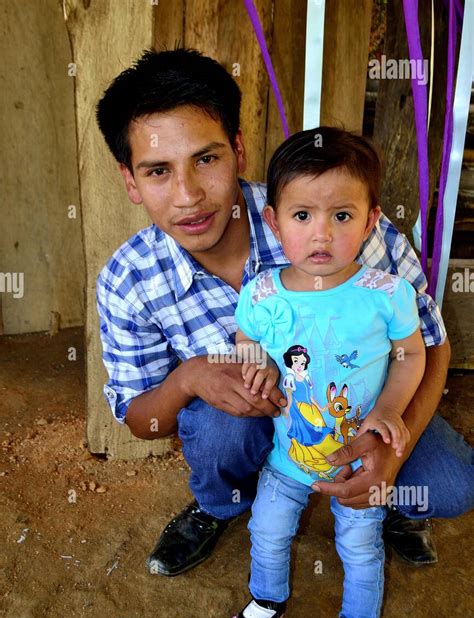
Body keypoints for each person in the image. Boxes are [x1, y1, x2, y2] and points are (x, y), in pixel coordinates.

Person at [95, 48, 472, 582]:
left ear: (239, 150)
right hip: (260, 423)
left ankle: (384, 500)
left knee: (450, 486)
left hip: (363, 404)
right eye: (158, 171)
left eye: (207, 159)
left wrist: (396, 440)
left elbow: (430, 345)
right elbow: (140, 419)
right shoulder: (129, 280)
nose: (189, 195)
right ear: (131, 182)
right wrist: (190, 376)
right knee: (221, 424)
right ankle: (220, 505)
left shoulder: (336, 216)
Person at [221, 127, 426, 618]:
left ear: (370, 220)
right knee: (267, 529)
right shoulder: (263, 293)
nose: (321, 233)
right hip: (288, 459)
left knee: (358, 544)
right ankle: (267, 598)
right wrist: (255, 364)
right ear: (273, 220)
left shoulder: (387, 294)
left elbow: (412, 355)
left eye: (341, 215)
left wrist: (390, 408)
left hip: (359, 461)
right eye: (303, 215)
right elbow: (246, 338)